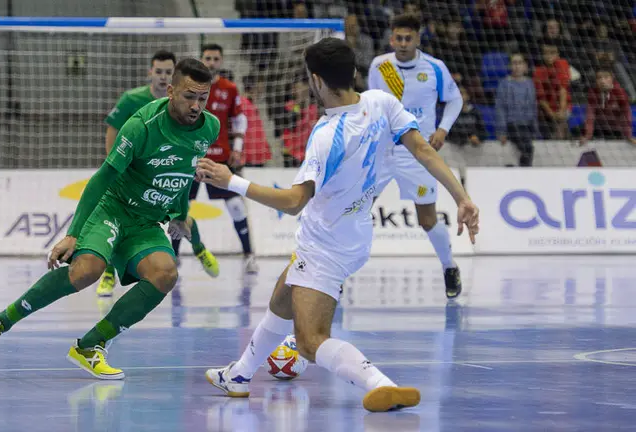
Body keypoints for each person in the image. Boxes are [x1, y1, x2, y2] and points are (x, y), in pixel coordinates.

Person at [201, 38, 479, 412]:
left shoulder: (326, 134)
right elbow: (424, 150)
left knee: (309, 341)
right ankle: (238, 374)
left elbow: (295, 201)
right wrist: (462, 198)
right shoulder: (381, 103)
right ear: (352, 73)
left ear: (315, 81)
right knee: (281, 300)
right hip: (354, 234)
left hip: (326, 245)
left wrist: (230, 180)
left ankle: (381, 384)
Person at [0, 59, 220, 380]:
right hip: (114, 209)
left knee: (165, 275)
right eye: (188, 96)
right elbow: (102, 178)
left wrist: (180, 214)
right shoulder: (142, 125)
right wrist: (72, 233)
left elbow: (183, 172)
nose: (196, 106)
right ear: (170, 91)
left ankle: (91, 346)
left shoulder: (210, 127)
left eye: (202, 98)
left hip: (145, 223)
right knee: (87, 272)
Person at [97, 51, 219, 297]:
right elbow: (113, 129)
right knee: (118, 225)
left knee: (184, 218)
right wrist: (115, 165)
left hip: (167, 176)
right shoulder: (133, 99)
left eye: (167, 72)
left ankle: (199, 249)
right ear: (150, 73)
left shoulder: (189, 106)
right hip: (134, 179)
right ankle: (109, 274)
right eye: (159, 72)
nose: (163, 77)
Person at [368, 13, 465, 299]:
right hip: (383, 152)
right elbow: (372, 103)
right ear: (391, 38)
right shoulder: (379, 66)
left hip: (419, 154)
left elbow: (455, 99)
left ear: (418, 39)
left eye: (408, 38)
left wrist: (443, 130)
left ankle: (449, 267)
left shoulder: (435, 67)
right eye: (398, 38)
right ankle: (337, 276)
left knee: (427, 219)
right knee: (358, 210)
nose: (402, 43)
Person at [172, 44, 259, 273]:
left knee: (236, 207)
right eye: (207, 58)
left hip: (220, 159)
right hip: (189, 158)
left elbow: (239, 119)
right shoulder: (190, 87)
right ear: (202, 59)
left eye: (215, 58)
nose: (211, 62)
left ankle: (249, 254)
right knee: (181, 208)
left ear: (221, 61)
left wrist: (238, 148)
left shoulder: (229, 88)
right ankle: (173, 256)